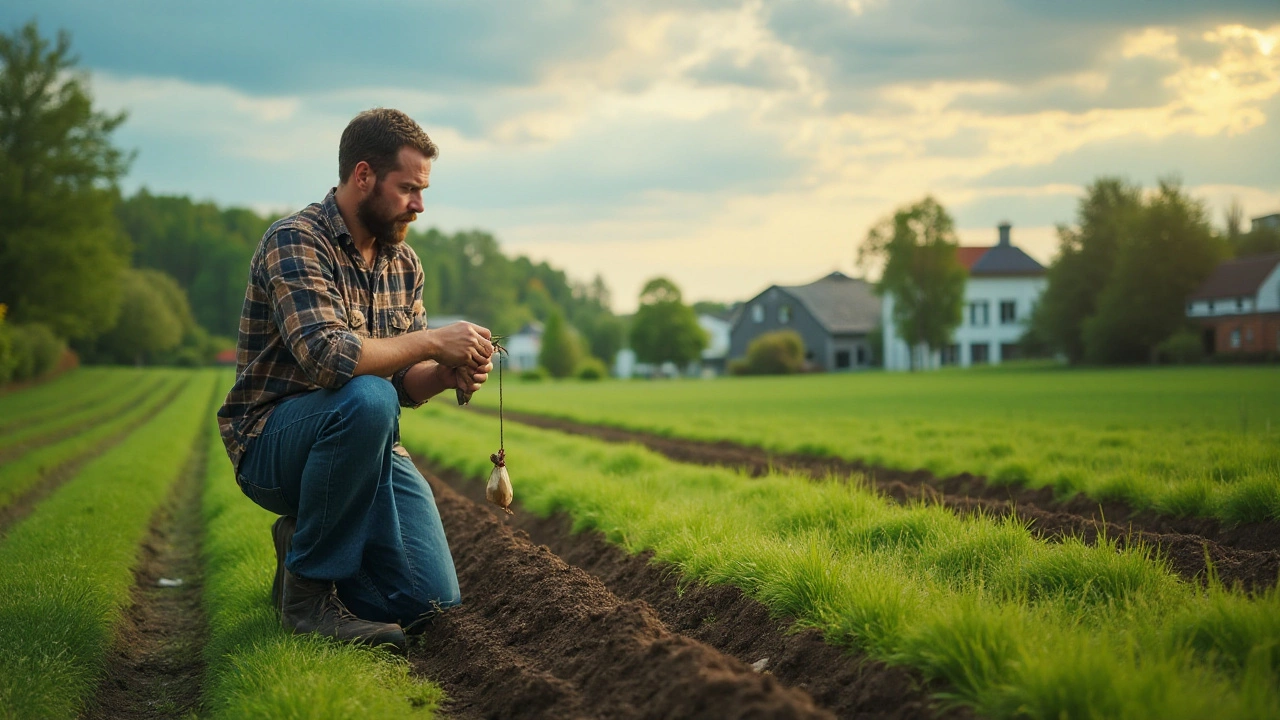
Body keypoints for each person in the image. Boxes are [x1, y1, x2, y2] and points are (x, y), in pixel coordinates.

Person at [217, 108, 494, 652]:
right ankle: (309, 602)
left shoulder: (405, 264)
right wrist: (435, 340)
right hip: (272, 444)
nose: (419, 204)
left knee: (428, 601)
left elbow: (402, 385)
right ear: (362, 175)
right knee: (365, 398)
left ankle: (303, 551)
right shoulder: (295, 241)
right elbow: (329, 360)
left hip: (362, 438)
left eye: (423, 189)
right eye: (408, 188)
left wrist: (444, 372)